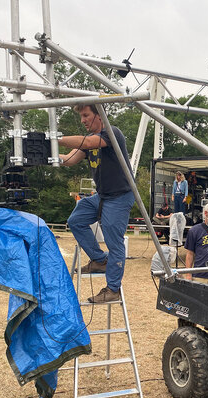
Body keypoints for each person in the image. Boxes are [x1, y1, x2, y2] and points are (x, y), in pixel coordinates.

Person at [58, 104, 134, 303]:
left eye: (86, 115)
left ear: (99, 115)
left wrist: (55, 137)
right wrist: (44, 155)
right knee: (76, 220)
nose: (83, 120)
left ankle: (113, 289)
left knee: (113, 238)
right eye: (81, 116)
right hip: (103, 196)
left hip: (120, 195)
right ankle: (100, 260)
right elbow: (69, 159)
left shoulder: (111, 133)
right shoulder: (89, 143)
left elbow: (89, 142)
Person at [184, 201, 208, 285]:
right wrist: (188, 274)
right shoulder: (194, 231)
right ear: (206, 213)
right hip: (200, 275)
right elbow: (190, 254)